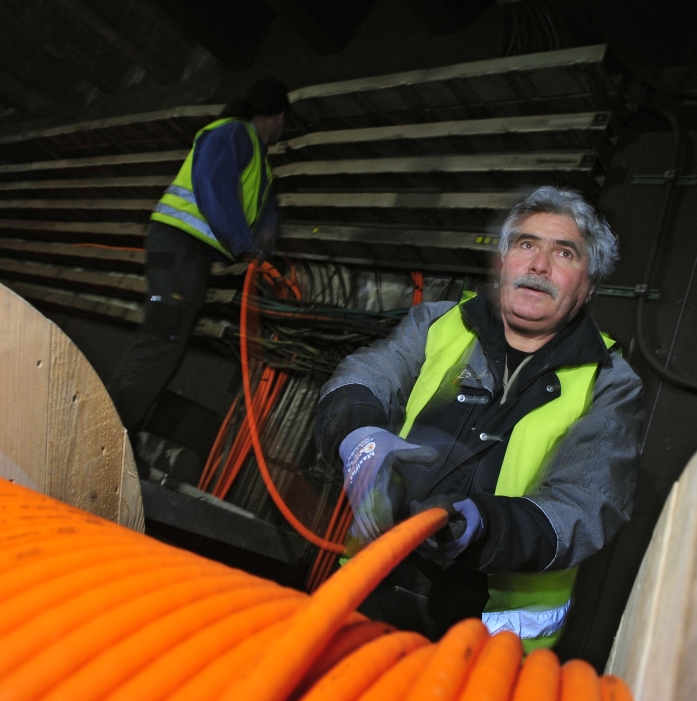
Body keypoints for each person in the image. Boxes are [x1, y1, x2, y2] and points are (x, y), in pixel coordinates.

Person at [314, 186, 644, 651]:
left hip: (486, 646)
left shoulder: (610, 383)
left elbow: (587, 505)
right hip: (370, 592)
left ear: (588, 285)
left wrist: (488, 526)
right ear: (504, 260)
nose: (539, 265)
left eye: (564, 253)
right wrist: (359, 436)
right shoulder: (437, 324)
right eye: (526, 245)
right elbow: (365, 375)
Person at [108, 78, 290, 432]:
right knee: (162, 337)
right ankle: (111, 431)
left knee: (167, 341)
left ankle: (118, 427)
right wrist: (241, 242)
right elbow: (213, 186)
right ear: (280, 117)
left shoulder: (261, 167)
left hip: (189, 254)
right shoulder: (234, 133)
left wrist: (265, 236)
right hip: (177, 244)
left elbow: (265, 214)